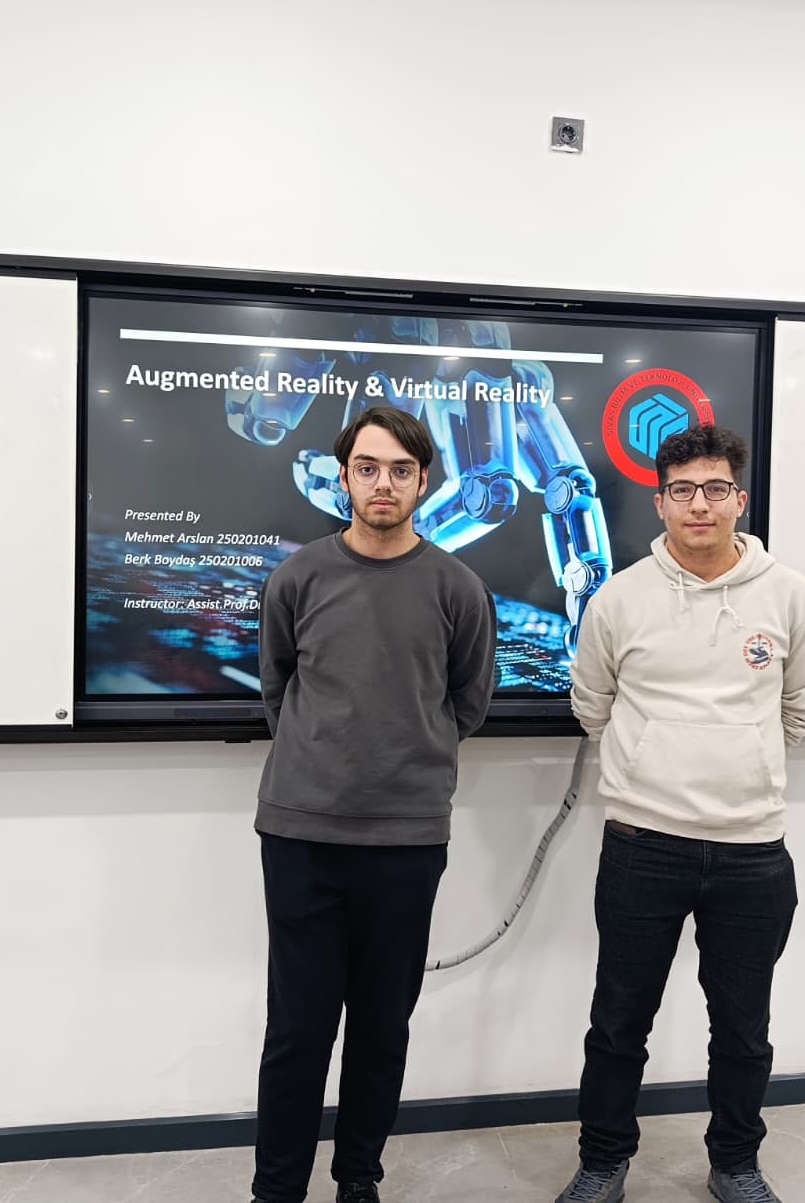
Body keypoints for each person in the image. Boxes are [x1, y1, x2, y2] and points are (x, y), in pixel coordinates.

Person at [554, 425, 805, 1203]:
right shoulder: (619, 598)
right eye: (682, 490)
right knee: (618, 1024)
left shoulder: (790, 595)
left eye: (714, 489)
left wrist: (741, 762)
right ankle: (603, 1164)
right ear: (661, 503)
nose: (698, 504)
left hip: (752, 852)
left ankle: (735, 1165)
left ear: (739, 500)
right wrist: (655, 766)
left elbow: (802, 708)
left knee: (743, 1030)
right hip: (643, 846)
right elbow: (592, 704)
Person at [251, 405, 498, 1203]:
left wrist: (403, 757)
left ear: (424, 481)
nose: (382, 483)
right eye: (367, 468)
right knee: (298, 1029)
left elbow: (468, 702)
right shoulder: (298, 579)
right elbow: (278, 690)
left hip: (406, 840)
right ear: (344, 477)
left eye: (399, 470)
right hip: (301, 834)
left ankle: (358, 1178)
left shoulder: (458, 588)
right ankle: (277, 1191)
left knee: (381, 1028)